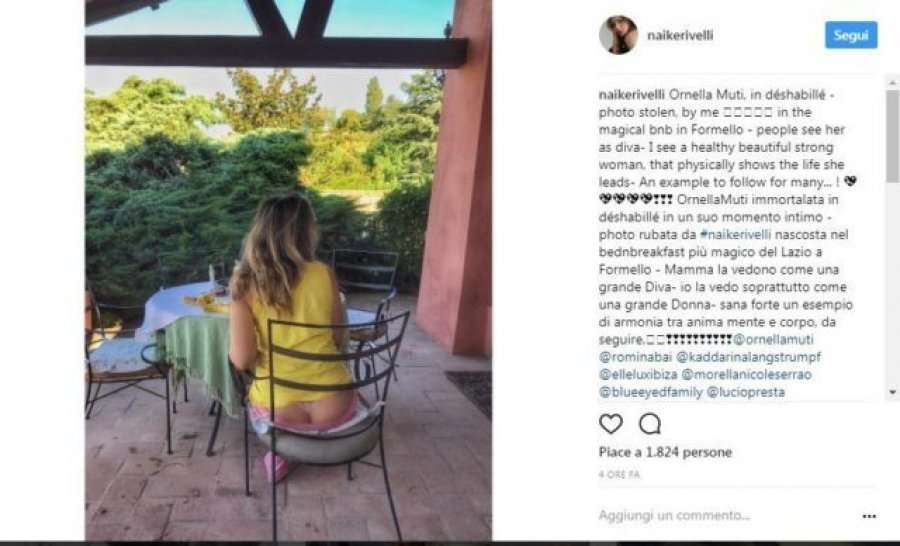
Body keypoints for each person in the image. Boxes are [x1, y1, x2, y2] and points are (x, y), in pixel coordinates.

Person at [228, 192, 356, 483]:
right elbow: (336, 339)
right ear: (306, 231)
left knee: (252, 386)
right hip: (334, 406)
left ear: (259, 231)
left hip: (279, 410)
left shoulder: (244, 284)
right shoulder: (324, 274)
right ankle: (302, 445)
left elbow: (242, 360)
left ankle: (285, 451)